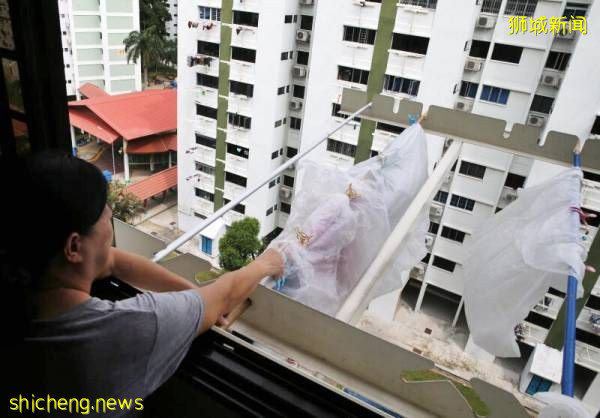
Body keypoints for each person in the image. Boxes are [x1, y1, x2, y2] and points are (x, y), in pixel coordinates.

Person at [0, 151, 284, 415]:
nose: (110, 224)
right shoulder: (122, 329)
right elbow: (224, 295)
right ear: (74, 247)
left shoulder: (23, 285)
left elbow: (109, 260)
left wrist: (193, 294)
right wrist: (264, 264)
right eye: (106, 218)